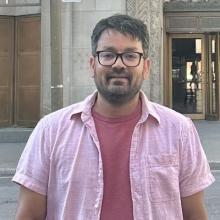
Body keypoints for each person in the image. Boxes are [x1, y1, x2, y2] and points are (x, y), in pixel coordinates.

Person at [13, 14, 214, 220]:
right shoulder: (50, 130)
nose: (119, 64)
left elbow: (194, 214)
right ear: (92, 65)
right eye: (108, 55)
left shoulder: (178, 129)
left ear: (146, 67)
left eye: (130, 55)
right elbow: (29, 214)